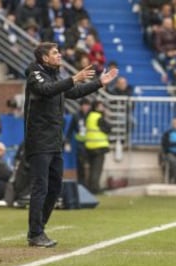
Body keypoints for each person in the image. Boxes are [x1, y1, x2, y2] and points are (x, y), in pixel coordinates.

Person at [24, 42, 118, 248]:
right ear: (44, 58)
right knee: (41, 186)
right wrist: (73, 78)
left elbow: (72, 92)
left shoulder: (55, 76)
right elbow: (46, 90)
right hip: (39, 140)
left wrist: (99, 83)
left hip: (55, 141)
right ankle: (36, 233)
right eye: (55, 53)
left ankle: (38, 228)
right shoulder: (34, 73)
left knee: (55, 187)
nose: (59, 55)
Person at [85, 100, 112, 194]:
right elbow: (108, 128)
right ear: (97, 107)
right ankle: (95, 188)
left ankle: (90, 188)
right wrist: (106, 116)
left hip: (89, 146)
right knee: (97, 169)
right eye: (101, 106)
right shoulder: (99, 117)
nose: (103, 108)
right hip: (99, 147)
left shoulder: (89, 116)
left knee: (92, 168)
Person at [64, 98, 91, 187]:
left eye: (88, 105)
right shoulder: (76, 116)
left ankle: (90, 184)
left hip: (92, 144)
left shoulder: (92, 115)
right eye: (85, 105)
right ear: (81, 106)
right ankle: (81, 184)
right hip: (80, 144)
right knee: (81, 165)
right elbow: (70, 130)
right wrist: (67, 141)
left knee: (91, 165)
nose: (86, 107)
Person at [161, 117, 176, 183]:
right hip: (170, 153)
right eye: (174, 123)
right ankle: (173, 180)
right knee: (173, 162)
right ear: (172, 124)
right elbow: (165, 144)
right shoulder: (167, 133)